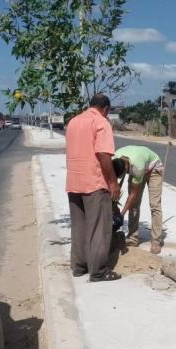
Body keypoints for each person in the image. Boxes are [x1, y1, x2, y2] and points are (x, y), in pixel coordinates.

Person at [66, 94, 121, 282]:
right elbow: (104, 156)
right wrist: (113, 183)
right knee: (99, 229)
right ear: (106, 109)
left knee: (79, 227)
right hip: (95, 183)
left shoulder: (73, 122)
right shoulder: (101, 123)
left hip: (74, 182)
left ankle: (79, 266)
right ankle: (98, 271)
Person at [112, 145, 164, 254]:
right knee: (134, 206)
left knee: (155, 205)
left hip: (153, 169)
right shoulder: (114, 159)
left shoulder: (137, 167)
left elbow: (133, 195)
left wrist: (121, 214)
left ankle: (156, 241)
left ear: (126, 168)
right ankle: (133, 238)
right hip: (138, 164)